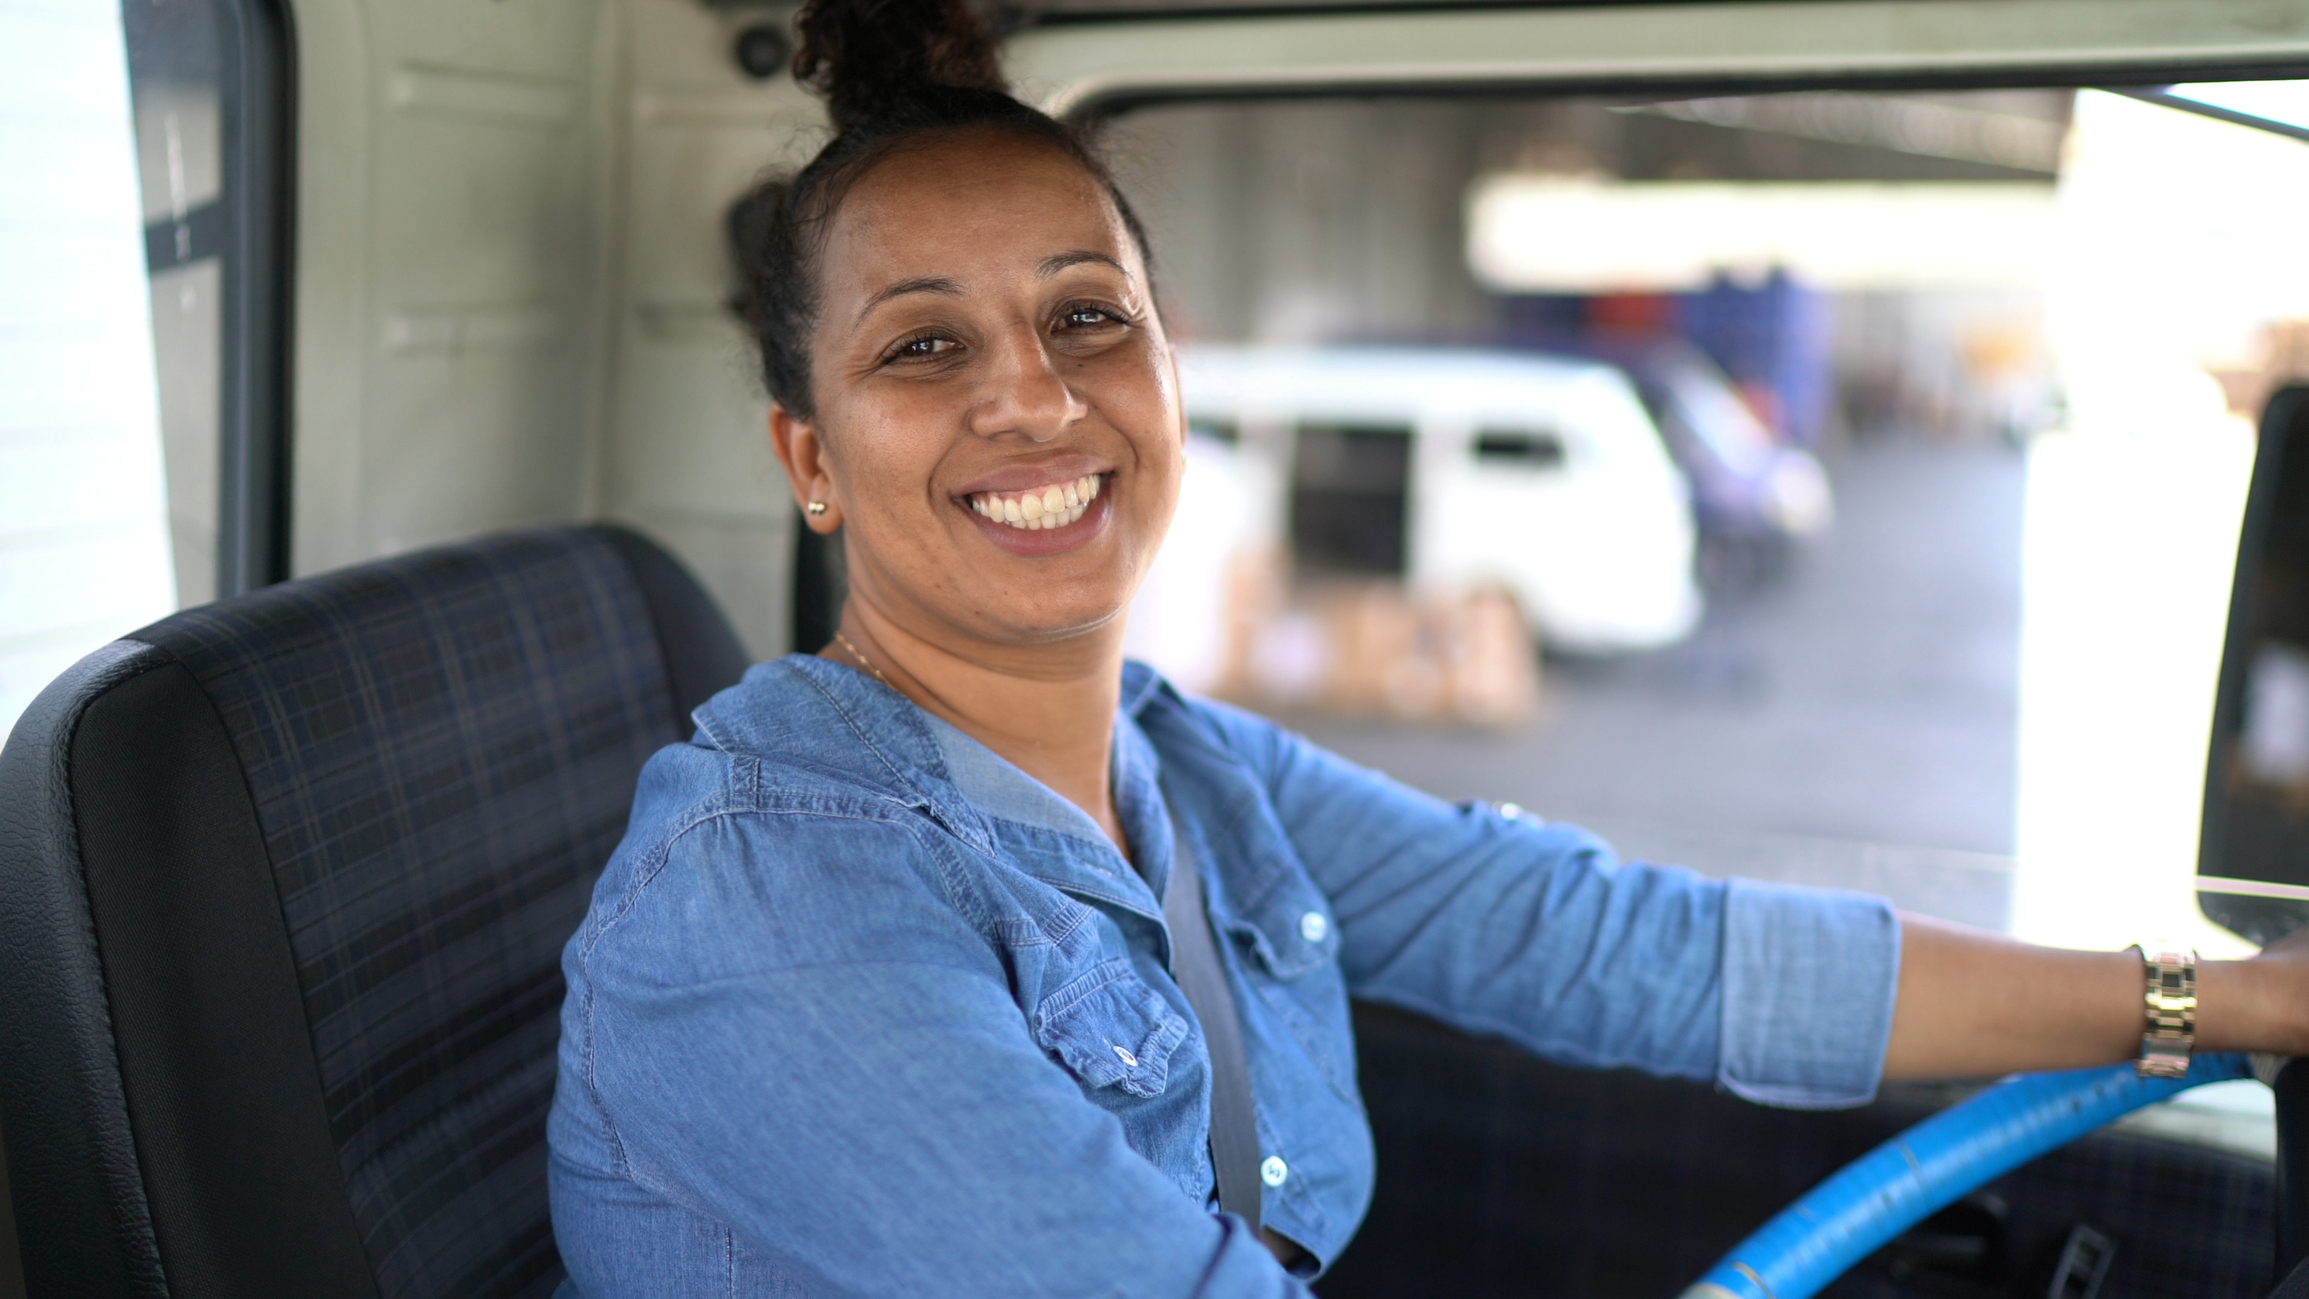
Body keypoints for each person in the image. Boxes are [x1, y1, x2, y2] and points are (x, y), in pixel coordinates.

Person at [544, 2, 2309, 1293]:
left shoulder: (1187, 768)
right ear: (810, 462)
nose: (1033, 393)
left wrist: (2226, 998)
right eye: (922, 350)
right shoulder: (762, 894)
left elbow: (1643, 949)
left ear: (1172, 373)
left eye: (1088, 316)